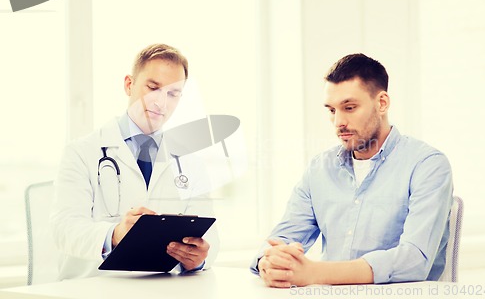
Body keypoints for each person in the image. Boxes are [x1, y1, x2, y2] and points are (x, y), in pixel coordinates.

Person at [250, 53, 453, 287]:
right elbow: (283, 237)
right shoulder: (319, 168)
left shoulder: (427, 164)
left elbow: (414, 259)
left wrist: (315, 273)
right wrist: (268, 262)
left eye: (349, 107)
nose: (338, 123)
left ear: (382, 103)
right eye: (332, 110)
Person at [50, 43, 219, 280]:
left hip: (163, 290)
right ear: (129, 85)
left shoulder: (190, 162)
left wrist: (197, 259)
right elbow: (63, 229)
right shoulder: (81, 152)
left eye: (173, 94)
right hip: (94, 289)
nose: (162, 102)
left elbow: (211, 239)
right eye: (153, 88)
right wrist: (115, 234)